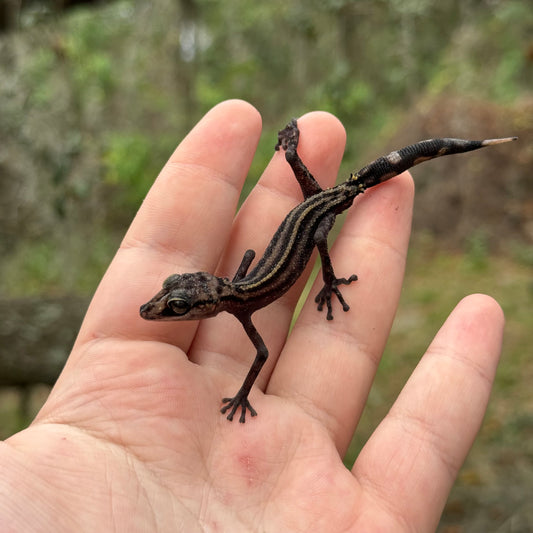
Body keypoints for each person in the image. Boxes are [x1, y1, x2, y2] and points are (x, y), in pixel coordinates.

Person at [0, 100, 503, 532]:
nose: (162, 310)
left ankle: (450, 147)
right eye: (172, 300)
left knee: (323, 230)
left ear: (209, 303)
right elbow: (249, 297)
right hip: (309, 211)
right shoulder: (237, 298)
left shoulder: (240, 305)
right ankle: (297, 151)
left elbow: (262, 349)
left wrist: (321, 286)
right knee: (329, 196)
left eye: (176, 307)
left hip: (317, 215)